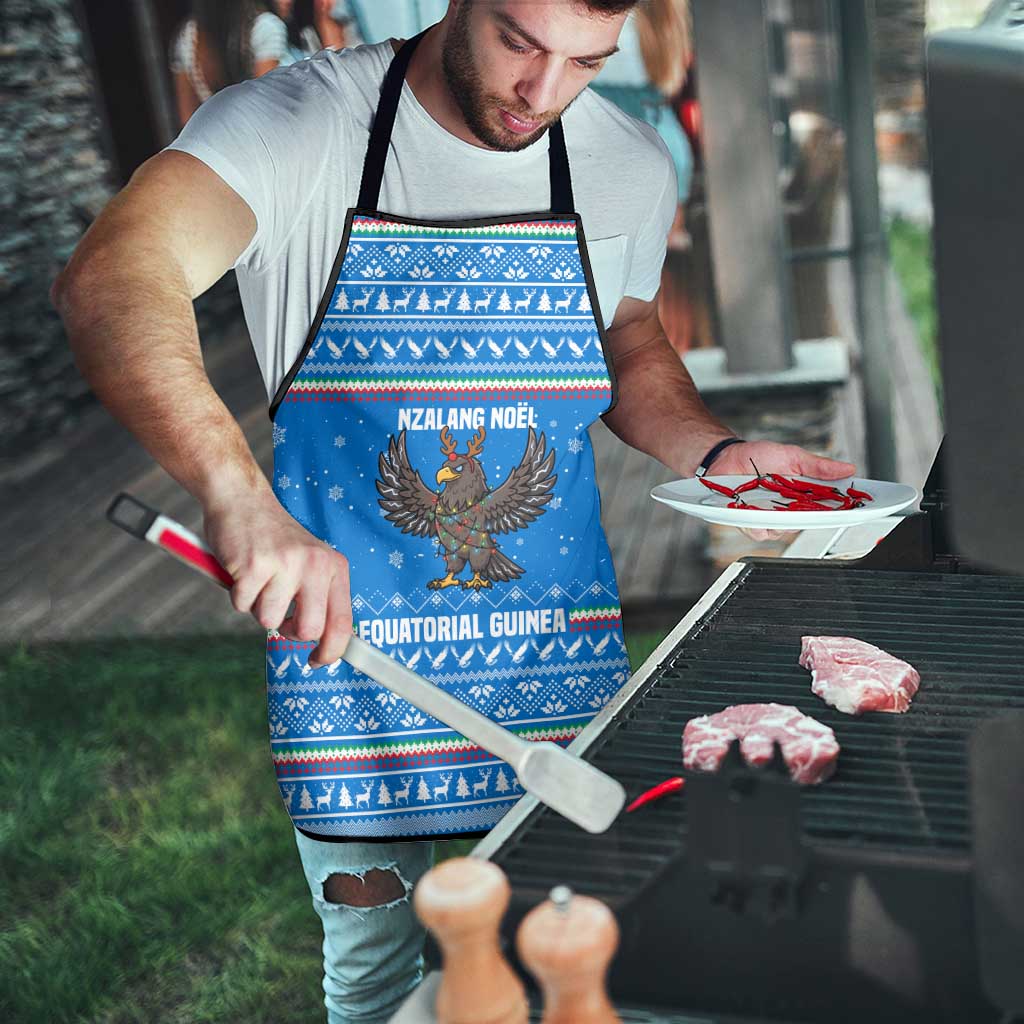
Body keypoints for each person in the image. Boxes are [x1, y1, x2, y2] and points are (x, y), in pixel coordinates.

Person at [53, 2, 856, 1020]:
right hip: (353, 672)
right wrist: (236, 495)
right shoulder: (298, 126)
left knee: (581, 959)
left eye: (586, 62)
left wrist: (716, 451)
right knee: (378, 980)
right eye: (520, 42)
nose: (543, 93)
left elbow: (626, 337)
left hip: (554, 658)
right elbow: (114, 275)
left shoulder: (624, 161)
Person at [170, 0, 289, 127]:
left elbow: (187, 119)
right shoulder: (265, 27)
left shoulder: (188, 36)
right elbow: (266, 107)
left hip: (215, 135)